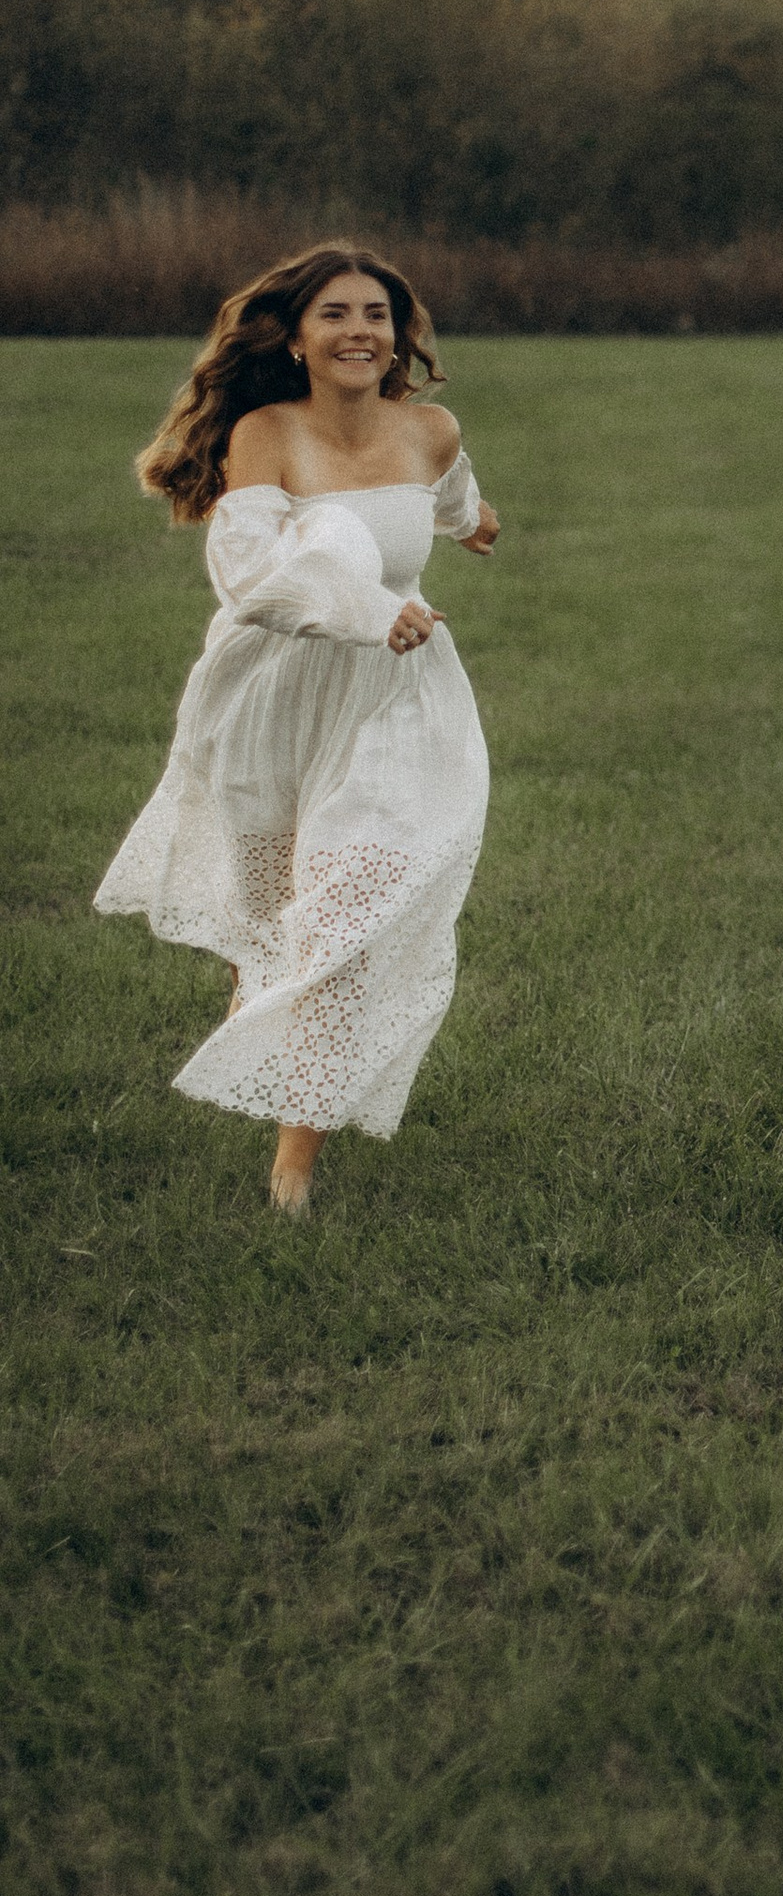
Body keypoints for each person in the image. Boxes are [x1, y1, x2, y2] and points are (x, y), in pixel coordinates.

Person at [98, 244, 500, 1216]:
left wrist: (476, 522)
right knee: (273, 918)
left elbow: (446, 504)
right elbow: (253, 576)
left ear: (399, 333)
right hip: (273, 700)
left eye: (377, 313)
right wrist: (367, 609)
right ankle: (258, 977)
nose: (359, 330)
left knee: (338, 929)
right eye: (335, 314)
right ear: (295, 334)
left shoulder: (430, 432)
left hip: (399, 701)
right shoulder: (265, 435)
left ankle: (292, 1173)